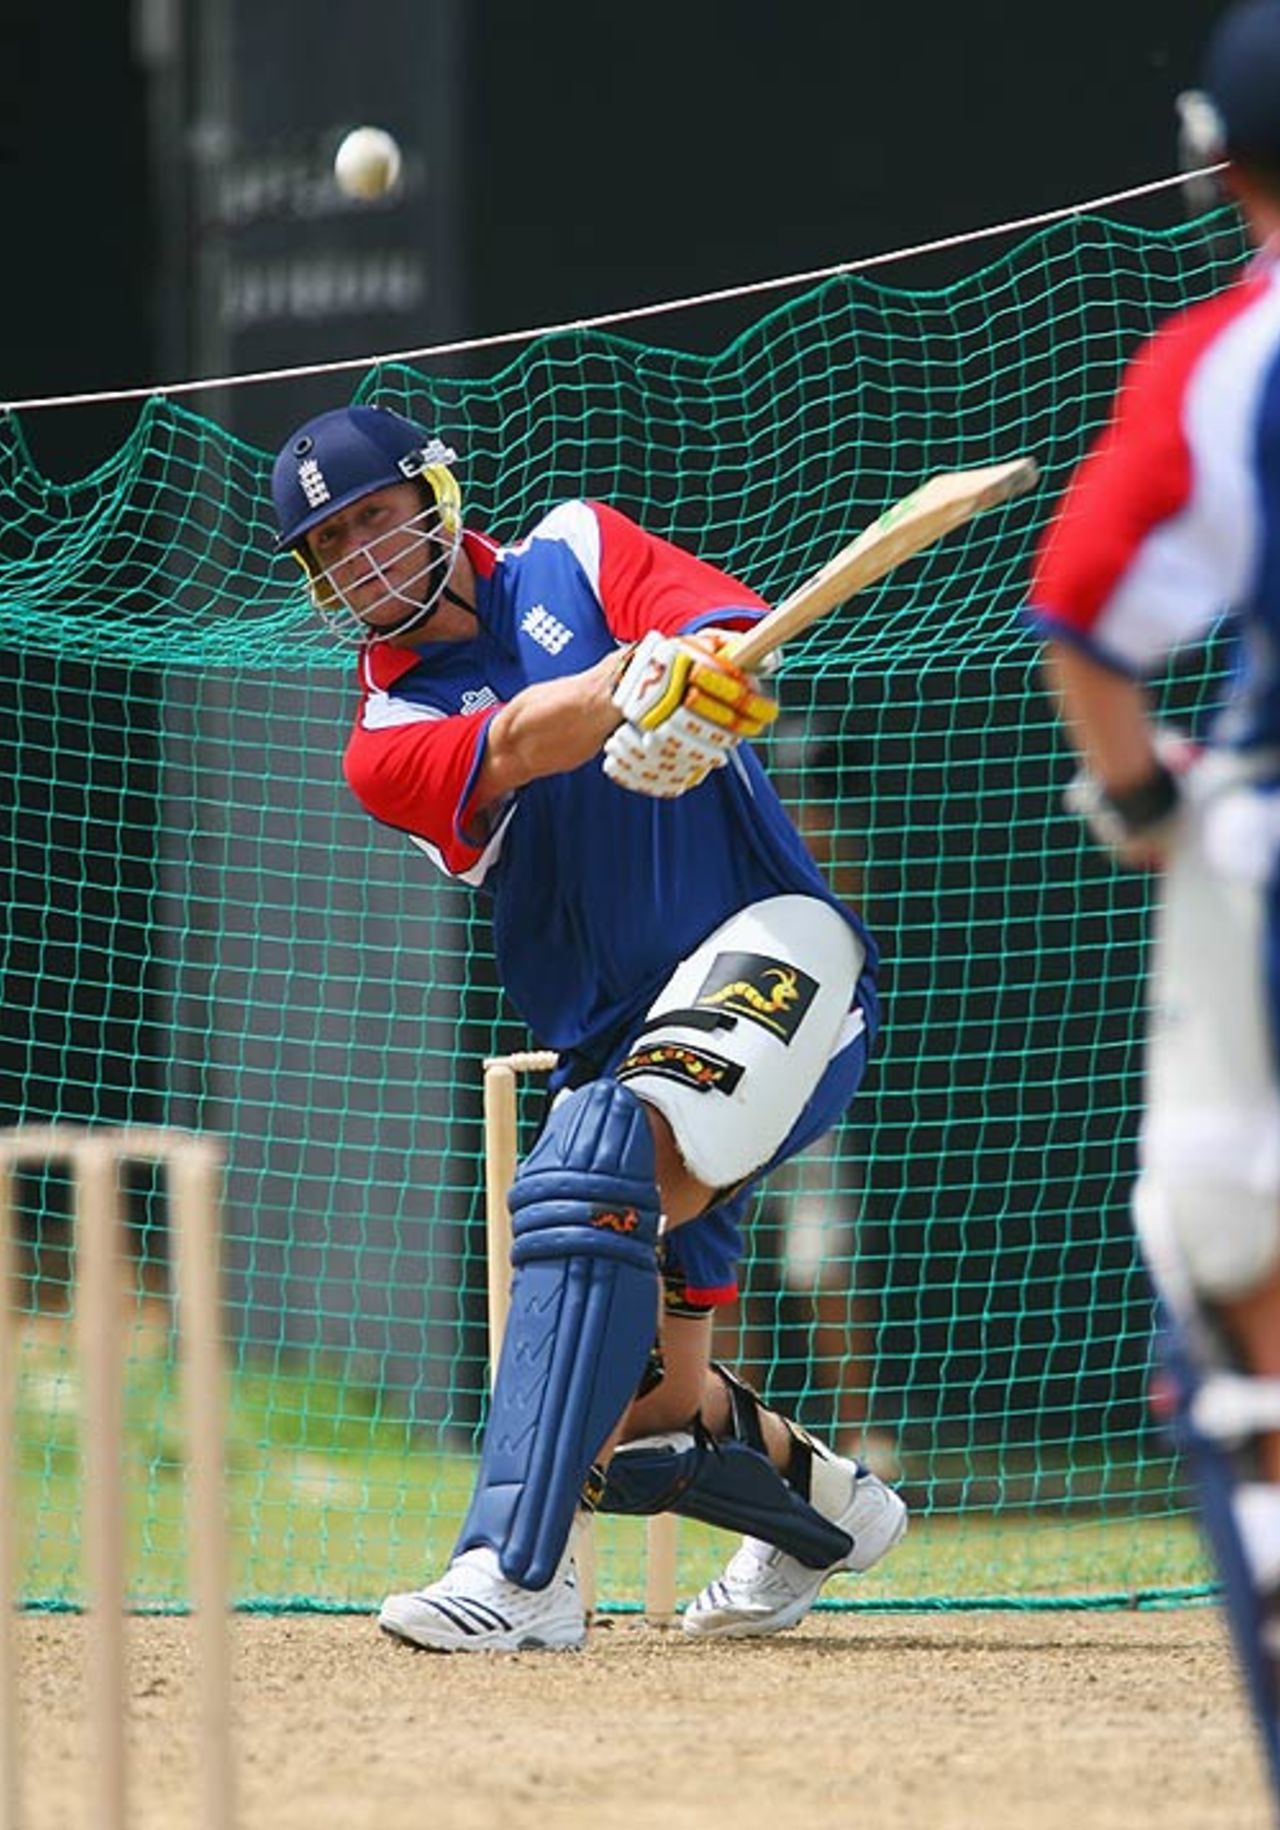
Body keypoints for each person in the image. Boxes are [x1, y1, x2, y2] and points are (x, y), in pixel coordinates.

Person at [269, 404, 908, 1650]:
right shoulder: (382, 738)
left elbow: (729, 623)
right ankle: (831, 1515)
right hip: (623, 1038)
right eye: (330, 544)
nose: (361, 554)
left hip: (776, 959)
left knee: (592, 1162)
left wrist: (708, 683)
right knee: (638, 1421)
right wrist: (628, 688)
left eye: (374, 515)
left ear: (436, 498)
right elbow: (509, 740)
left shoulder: (578, 545)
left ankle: (516, 1574)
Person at [1026, 0, 1280, 1800]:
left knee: (1237, 1292)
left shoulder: (1231, 357)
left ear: (1224, 156)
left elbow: (1086, 613)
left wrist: (1137, 795)